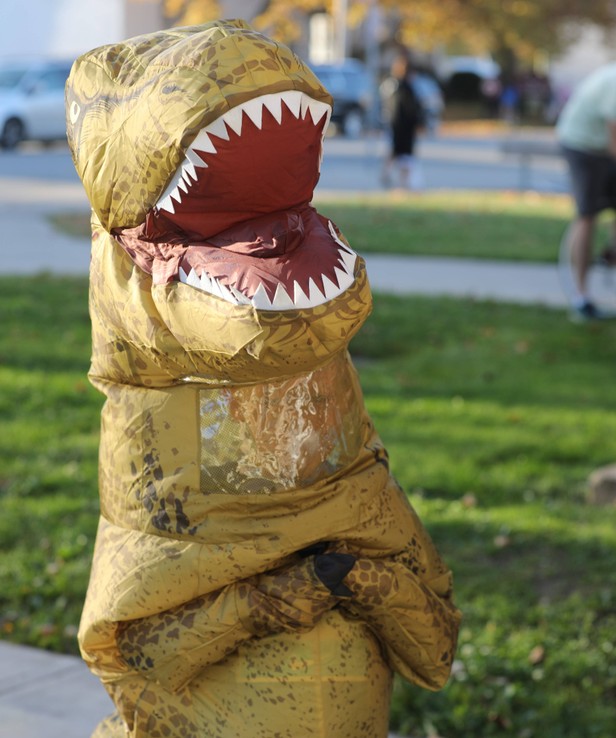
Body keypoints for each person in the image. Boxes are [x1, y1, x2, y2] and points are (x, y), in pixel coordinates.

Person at [65, 20, 460, 738]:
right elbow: (138, 654)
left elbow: (434, 646)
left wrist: (356, 576)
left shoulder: (350, 471)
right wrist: (279, 596)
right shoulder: (155, 491)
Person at [557, 62, 616, 320]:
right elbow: (615, 137)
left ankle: (610, 253)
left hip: (603, 148)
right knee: (587, 215)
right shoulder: (613, 82)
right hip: (582, 147)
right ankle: (581, 298)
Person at [381, 55, 425, 189]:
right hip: (404, 128)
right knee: (405, 157)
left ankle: (388, 174)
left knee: (396, 152)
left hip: (395, 126)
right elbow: (411, 110)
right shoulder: (406, 88)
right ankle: (403, 184)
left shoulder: (392, 85)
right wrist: (419, 123)